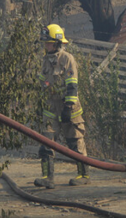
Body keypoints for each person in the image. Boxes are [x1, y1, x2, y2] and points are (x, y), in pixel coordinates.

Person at [34, 24, 90, 189]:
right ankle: (47, 178)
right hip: (50, 107)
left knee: (75, 141)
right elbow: (42, 83)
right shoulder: (45, 60)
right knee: (46, 141)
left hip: (69, 107)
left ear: (57, 43)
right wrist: (39, 103)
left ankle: (84, 175)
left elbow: (72, 85)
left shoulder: (67, 59)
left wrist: (68, 107)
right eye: (45, 42)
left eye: (48, 42)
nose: (45, 45)